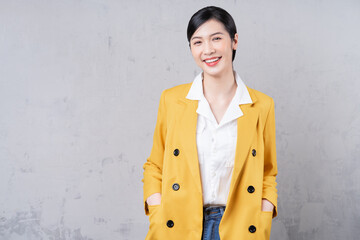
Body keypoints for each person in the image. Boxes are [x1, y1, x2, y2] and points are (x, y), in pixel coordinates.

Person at [142, 6, 278, 240]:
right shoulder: (172, 100)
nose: (208, 50)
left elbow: (267, 172)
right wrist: (158, 210)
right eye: (198, 42)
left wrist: (263, 216)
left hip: (239, 227)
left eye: (216, 38)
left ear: (234, 41)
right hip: (179, 225)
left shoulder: (262, 105)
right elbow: (155, 165)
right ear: (191, 49)